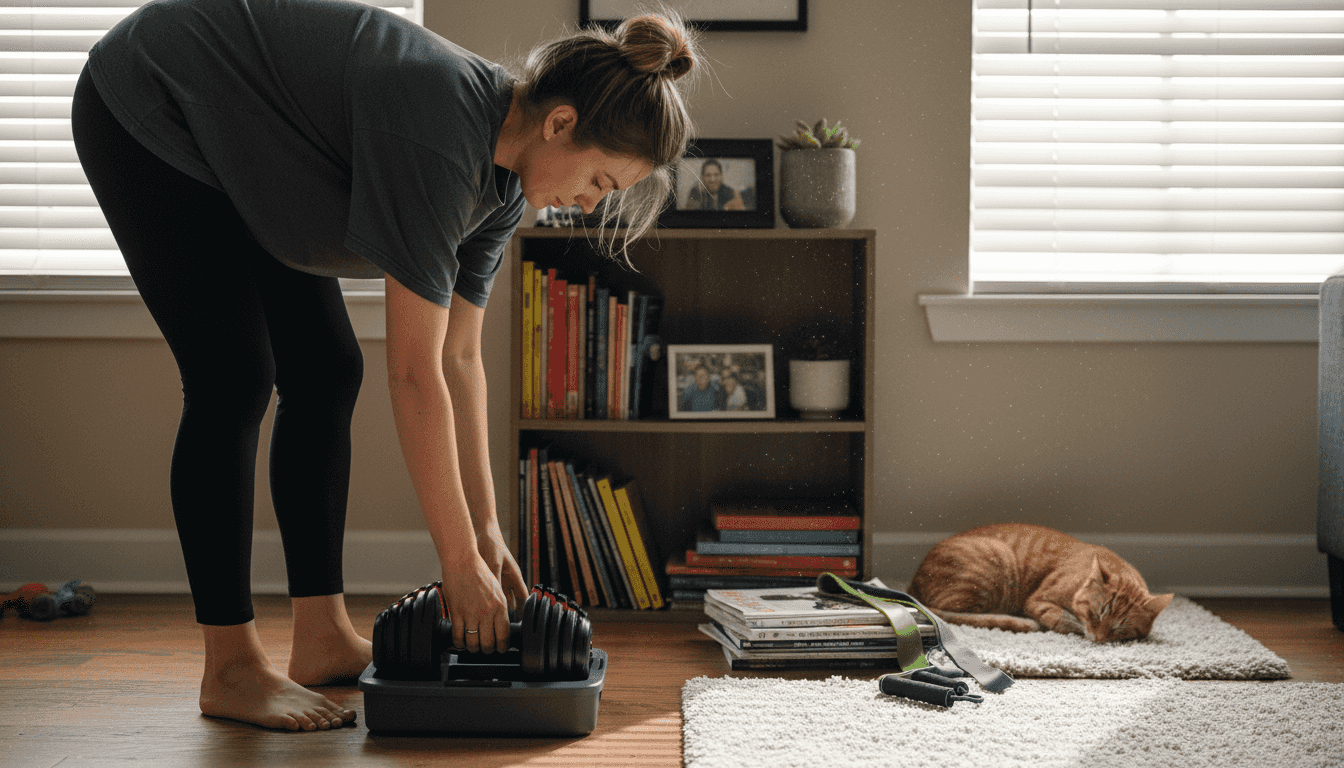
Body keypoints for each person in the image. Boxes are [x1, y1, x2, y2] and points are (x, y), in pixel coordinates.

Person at [71, 0, 697, 732]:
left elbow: (460, 358)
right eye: (601, 182)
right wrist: (456, 561)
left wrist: (486, 533)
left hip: (250, 143)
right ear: (561, 123)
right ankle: (231, 666)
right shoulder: (441, 131)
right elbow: (414, 371)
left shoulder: (501, 186)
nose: (590, 205)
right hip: (155, 98)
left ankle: (321, 634)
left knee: (328, 370)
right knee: (232, 378)